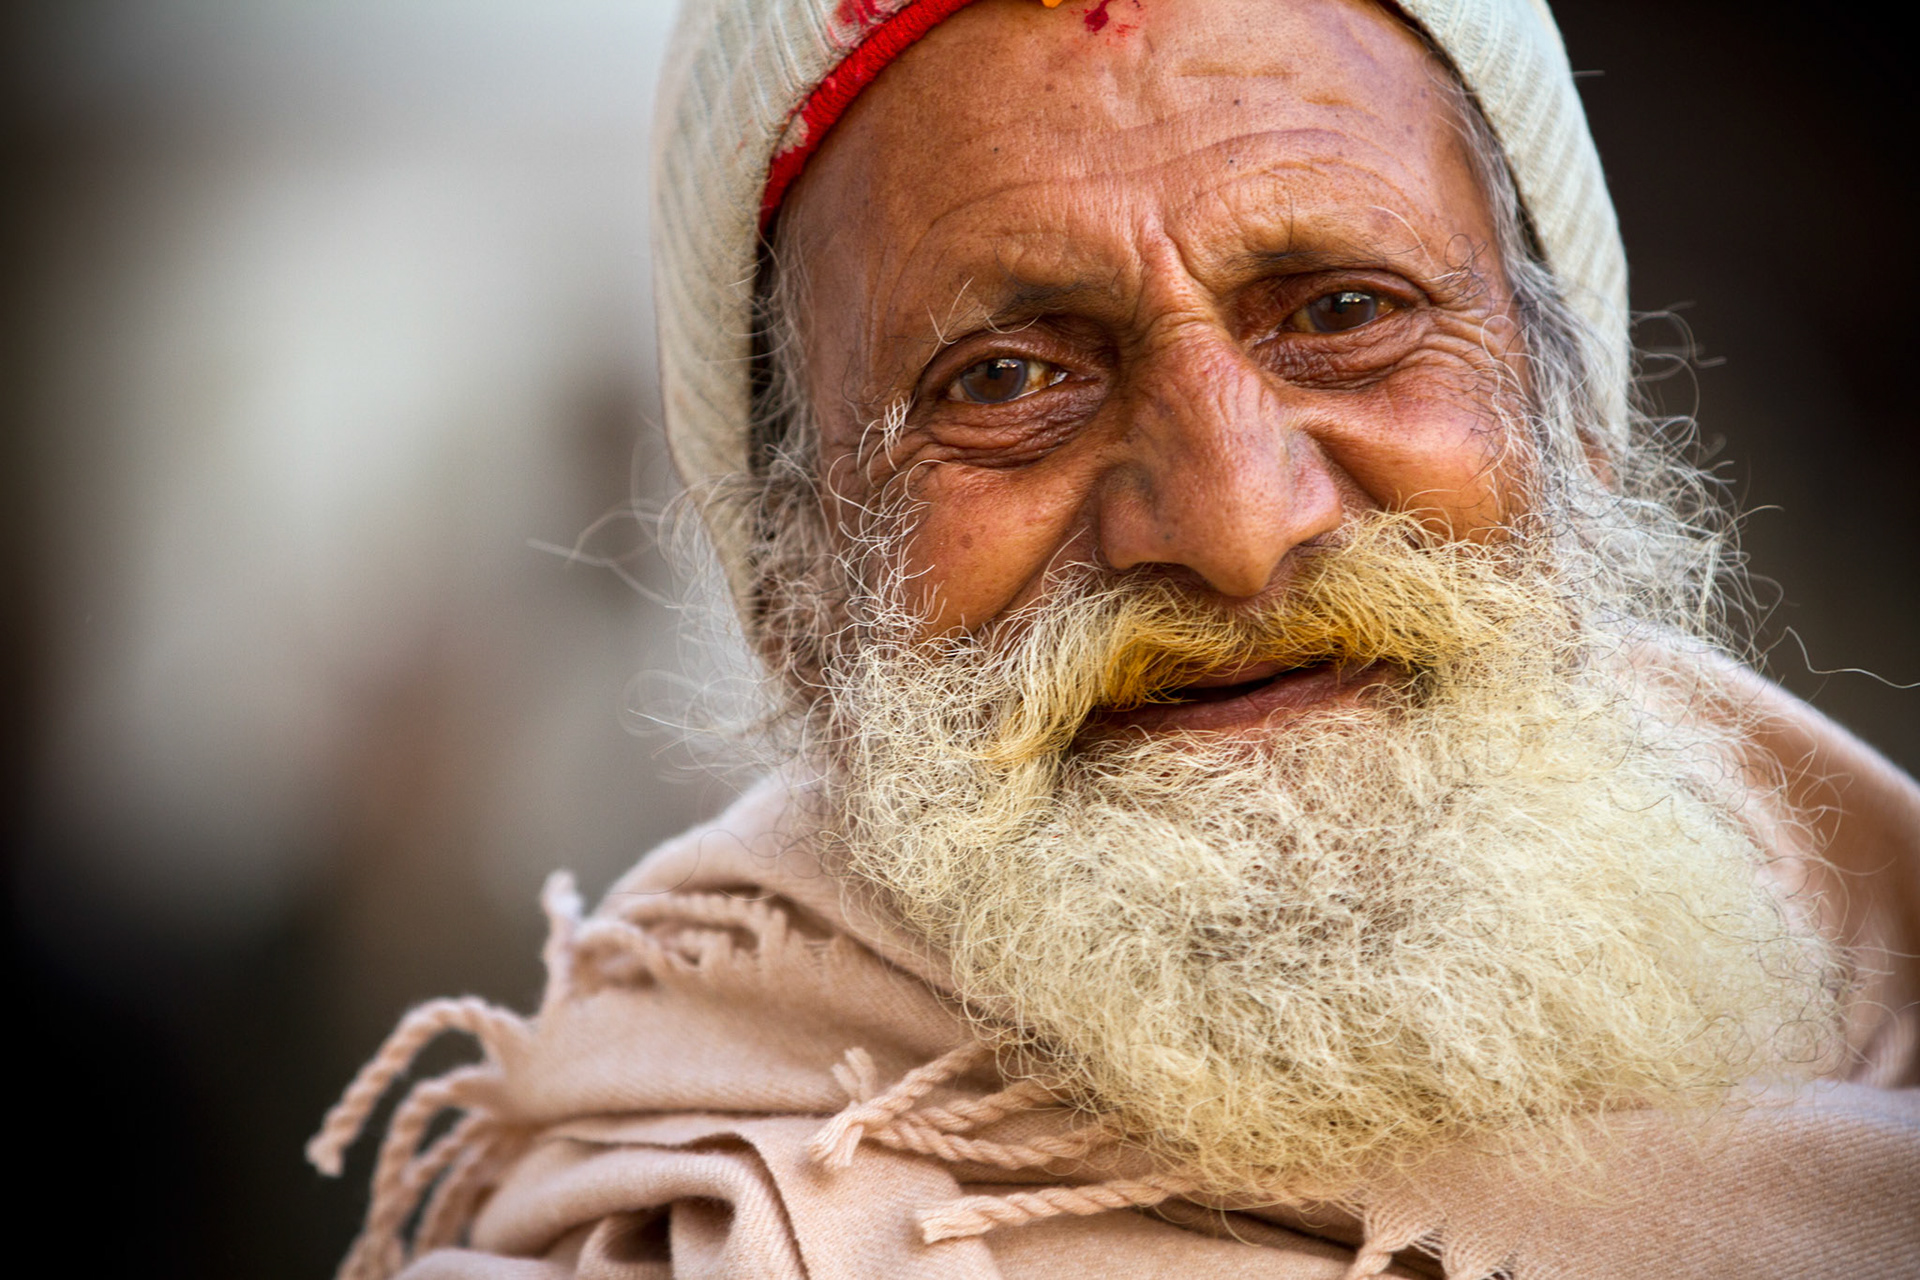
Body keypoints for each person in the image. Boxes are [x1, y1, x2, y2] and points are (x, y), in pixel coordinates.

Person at [310, 0, 1920, 1274]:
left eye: (1345, 312)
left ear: (1573, 425)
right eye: (1007, 378)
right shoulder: (675, 1243)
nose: (1234, 526)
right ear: (797, 591)